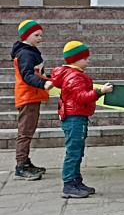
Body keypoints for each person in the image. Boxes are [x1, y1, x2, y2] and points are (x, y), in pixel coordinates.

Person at [51, 41, 113, 198]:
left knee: (77, 151)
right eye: (85, 58)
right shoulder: (74, 76)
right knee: (74, 152)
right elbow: (81, 97)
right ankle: (69, 184)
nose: (88, 61)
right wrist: (100, 91)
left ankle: (76, 181)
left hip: (76, 117)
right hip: (74, 118)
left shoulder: (73, 74)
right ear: (75, 60)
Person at [11, 20, 53, 180]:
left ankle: (25, 162)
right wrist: (43, 83)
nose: (40, 38)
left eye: (41, 35)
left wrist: (48, 78)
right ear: (26, 36)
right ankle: (21, 166)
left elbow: (36, 73)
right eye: (36, 35)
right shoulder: (25, 53)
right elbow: (27, 75)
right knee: (25, 132)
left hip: (31, 96)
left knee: (28, 130)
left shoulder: (30, 51)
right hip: (27, 97)